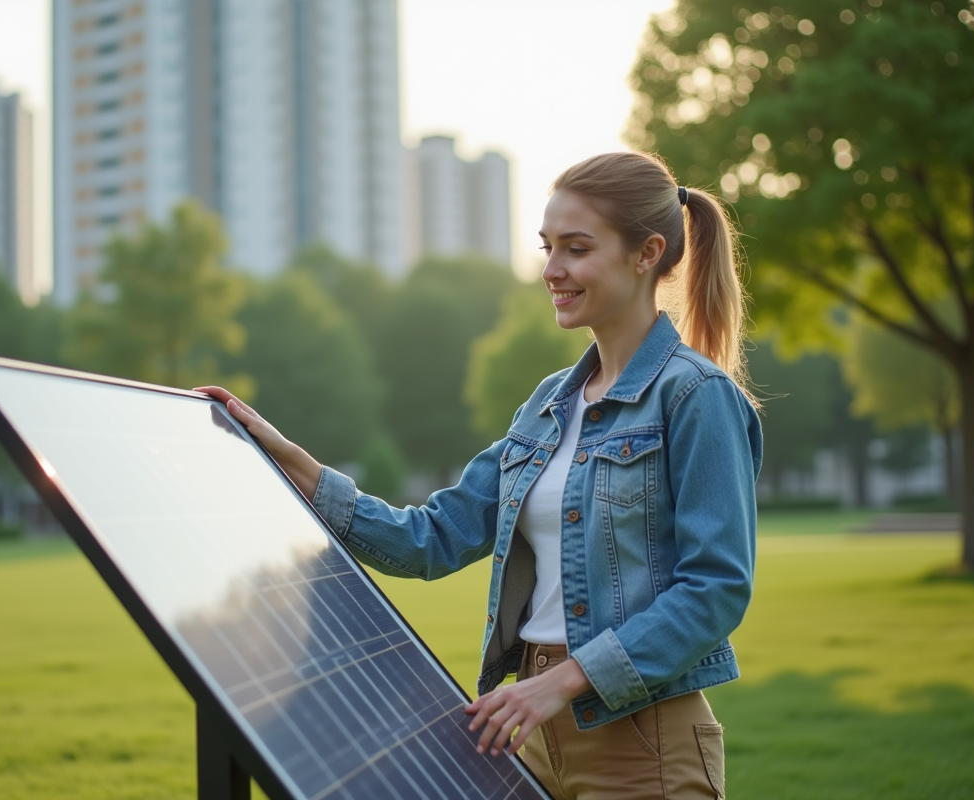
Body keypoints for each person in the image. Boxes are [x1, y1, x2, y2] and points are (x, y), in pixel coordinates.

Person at [198, 151, 762, 800]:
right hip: (527, 730)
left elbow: (715, 590)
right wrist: (302, 468)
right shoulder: (549, 404)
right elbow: (432, 539)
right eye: (548, 248)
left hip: (640, 740)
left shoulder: (696, 397)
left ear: (647, 253)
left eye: (576, 249)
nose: (552, 270)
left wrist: (563, 680)